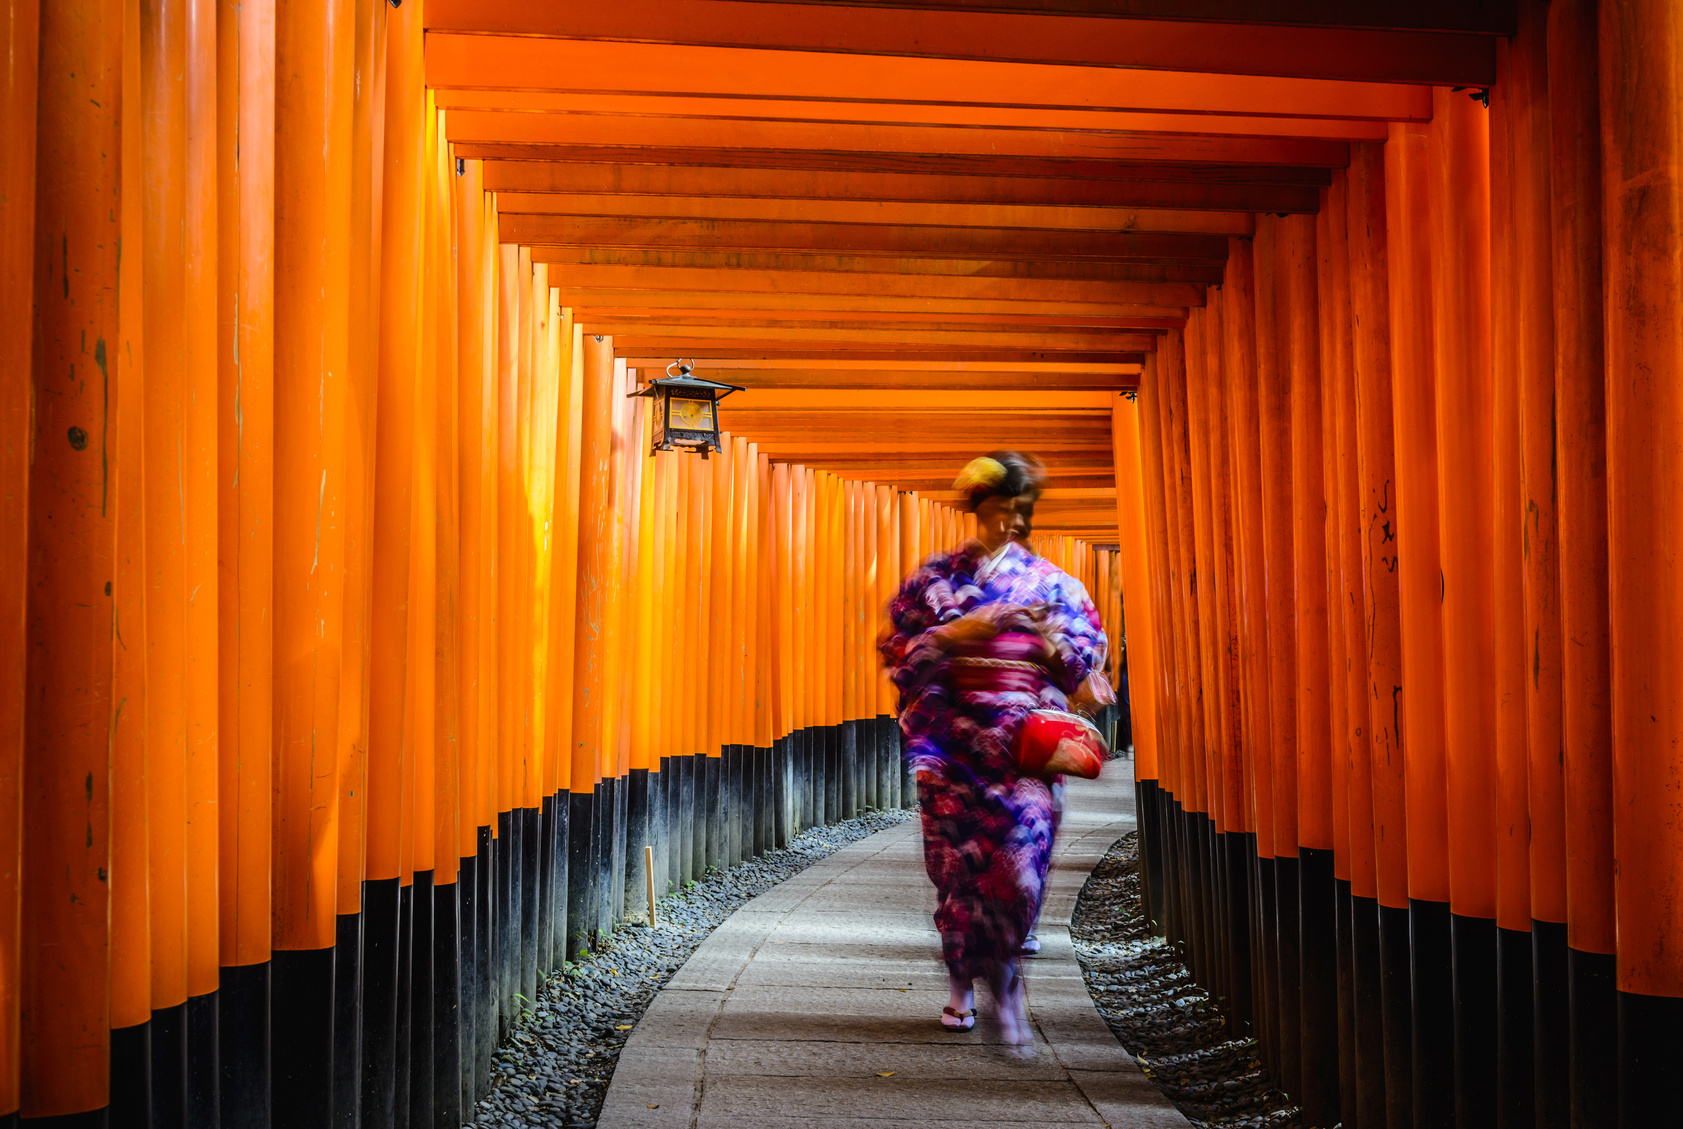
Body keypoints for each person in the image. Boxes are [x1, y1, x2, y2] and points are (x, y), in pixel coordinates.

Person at [880, 452, 1107, 1052]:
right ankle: (962, 983)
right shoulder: (933, 582)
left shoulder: (1057, 585)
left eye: (1022, 513)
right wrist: (959, 633)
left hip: (1023, 749)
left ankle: (1006, 984)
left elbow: (1088, 669)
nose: (1013, 524)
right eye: (1003, 511)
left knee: (1020, 864)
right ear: (978, 511)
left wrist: (1056, 643)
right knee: (957, 871)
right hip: (950, 748)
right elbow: (900, 656)